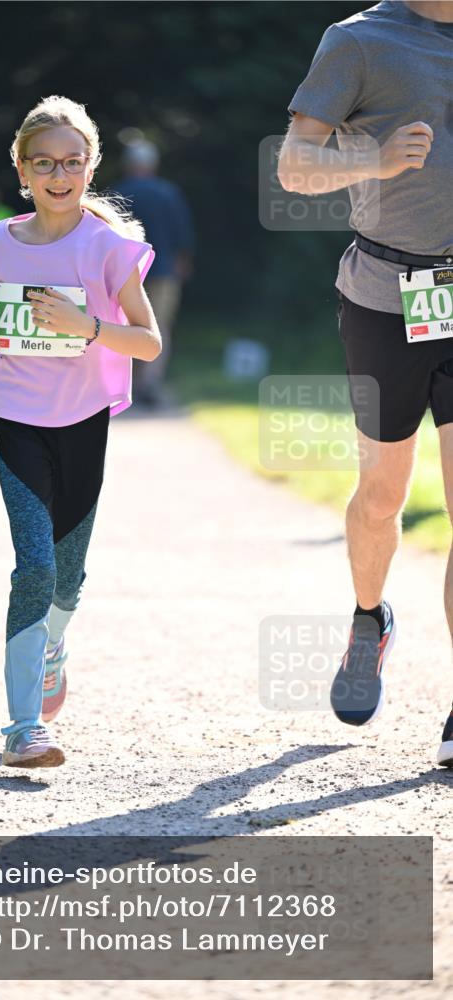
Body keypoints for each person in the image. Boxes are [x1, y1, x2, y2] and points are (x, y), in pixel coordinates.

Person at [0, 95, 160, 767]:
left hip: (84, 422)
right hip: (18, 420)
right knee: (33, 568)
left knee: (68, 579)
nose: (58, 176)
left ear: (89, 166)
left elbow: (148, 343)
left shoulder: (107, 249)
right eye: (44, 164)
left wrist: (87, 327)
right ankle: (22, 728)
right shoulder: (1, 243)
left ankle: (52, 645)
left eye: (71, 162)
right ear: (21, 170)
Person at [278, 0, 453, 766]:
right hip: (386, 295)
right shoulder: (357, 41)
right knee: (381, 495)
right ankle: (368, 616)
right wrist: (375, 162)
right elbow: (291, 166)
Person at [113, 139, 194, 407]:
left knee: (123, 324)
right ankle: (150, 382)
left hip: (125, 272)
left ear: (128, 164)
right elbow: (182, 233)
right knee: (159, 326)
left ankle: (124, 383)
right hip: (164, 270)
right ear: (153, 164)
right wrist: (181, 263)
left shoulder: (118, 193)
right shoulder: (168, 193)